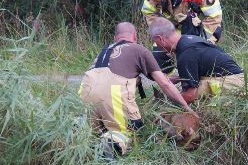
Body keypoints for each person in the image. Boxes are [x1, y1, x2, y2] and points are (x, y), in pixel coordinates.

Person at [79, 22, 196, 157]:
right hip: (113, 92)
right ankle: (110, 150)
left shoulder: (105, 50)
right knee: (129, 132)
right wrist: (187, 108)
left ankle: (87, 147)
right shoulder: (139, 50)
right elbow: (165, 84)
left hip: (85, 90)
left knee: (94, 133)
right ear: (135, 36)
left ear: (115, 37)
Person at [141, 0, 223, 72]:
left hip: (195, 28)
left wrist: (205, 43)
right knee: (159, 58)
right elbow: (149, 12)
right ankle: (171, 85)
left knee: (192, 57)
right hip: (170, 29)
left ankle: (193, 82)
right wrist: (161, 32)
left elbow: (214, 17)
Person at [148, 17, 244, 104]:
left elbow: (190, 95)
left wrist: (166, 103)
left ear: (161, 39)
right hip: (239, 79)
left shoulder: (185, 54)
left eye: (157, 44)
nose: (159, 48)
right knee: (183, 89)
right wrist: (177, 78)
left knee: (187, 94)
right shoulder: (188, 40)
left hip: (234, 84)